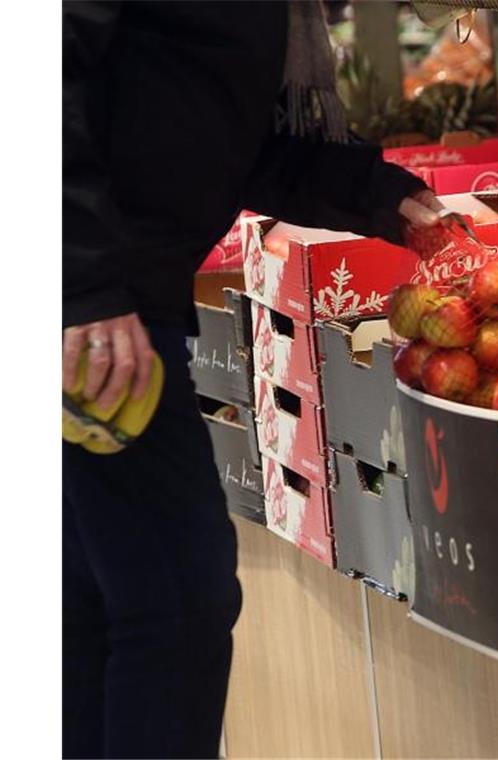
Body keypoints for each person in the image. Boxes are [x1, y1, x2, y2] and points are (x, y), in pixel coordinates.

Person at [62, 2, 441, 757]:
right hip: (102, 317)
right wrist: (82, 289)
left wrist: (374, 193)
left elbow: (204, 122)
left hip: (115, 297)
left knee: (95, 601)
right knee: (178, 603)